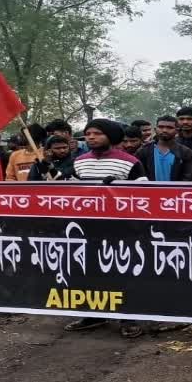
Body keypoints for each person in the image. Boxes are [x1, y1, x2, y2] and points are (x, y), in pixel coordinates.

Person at [65, 119, 147, 338]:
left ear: (111, 136)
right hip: (87, 228)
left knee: (121, 272)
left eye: (97, 133)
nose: (91, 137)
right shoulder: (80, 162)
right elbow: (72, 192)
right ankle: (93, 314)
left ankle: (128, 317)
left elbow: (144, 194)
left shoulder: (129, 162)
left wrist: (120, 189)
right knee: (90, 272)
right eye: (88, 133)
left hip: (120, 229)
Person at [137, 116, 192, 182]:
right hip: (149, 191)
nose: (164, 130)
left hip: (177, 191)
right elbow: (140, 176)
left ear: (177, 130)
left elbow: (188, 178)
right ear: (155, 129)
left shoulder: (186, 152)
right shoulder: (143, 151)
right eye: (161, 127)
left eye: (169, 128)